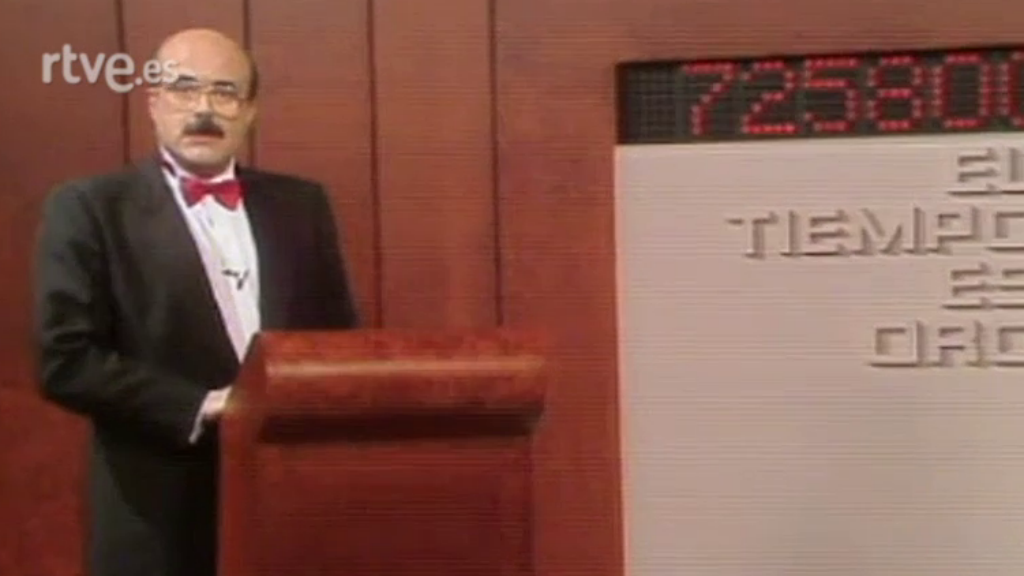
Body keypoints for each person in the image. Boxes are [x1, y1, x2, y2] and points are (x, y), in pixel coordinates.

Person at [31, 28, 359, 576]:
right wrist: (201, 405)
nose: (203, 109)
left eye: (225, 92)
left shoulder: (302, 205)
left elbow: (337, 346)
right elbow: (65, 361)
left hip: (286, 508)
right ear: (154, 102)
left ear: (250, 111)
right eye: (185, 89)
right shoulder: (89, 207)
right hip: (155, 520)